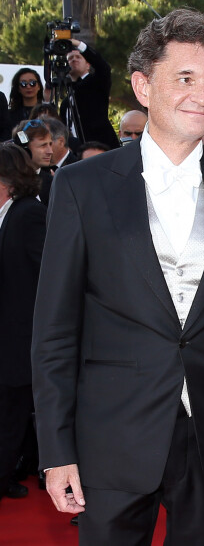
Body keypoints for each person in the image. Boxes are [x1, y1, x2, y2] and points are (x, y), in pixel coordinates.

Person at [31, 8, 204, 546]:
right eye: (184, 78)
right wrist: (55, 449)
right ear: (142, 86)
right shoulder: (81, 187)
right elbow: (55, 331)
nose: (203, 96)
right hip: (111, 434)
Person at [0, 143, 46, 502]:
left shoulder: (28, 214)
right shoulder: (8, 213)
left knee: (10, 419)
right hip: (10, 341)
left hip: (20, 342)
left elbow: (50, 278)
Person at [58, 39, 120, 150]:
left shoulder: (96, 83)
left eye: (78, 57)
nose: (74, 60)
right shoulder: (66, 102)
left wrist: (78, 44)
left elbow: (104, 67)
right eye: (70, 58)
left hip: (101, 148)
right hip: (77, 151)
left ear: (88, 64)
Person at [13, 119, 53, 206]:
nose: (50, 151)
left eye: (50, 144)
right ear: (24, 149)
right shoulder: (7, 182)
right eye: (43, 145)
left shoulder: (52, 183)